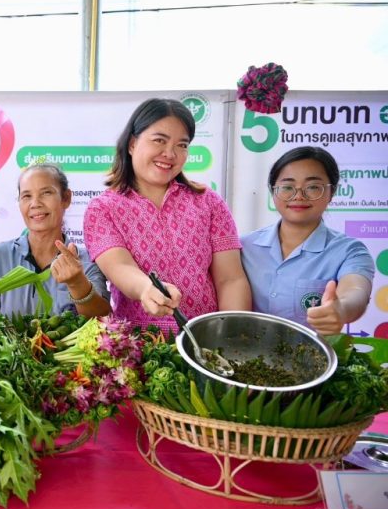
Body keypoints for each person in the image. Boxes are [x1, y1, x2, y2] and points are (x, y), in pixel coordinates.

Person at [83, 98, 251, 333]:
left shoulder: (208, 201)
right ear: (132, 143)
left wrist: (231, 336)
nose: (170, 153)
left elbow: (230, 279)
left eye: (182, 145)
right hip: (141, 345)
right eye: (159, 140)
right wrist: (146, 289)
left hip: (205, 340)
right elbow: (120, 267)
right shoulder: (102, 209)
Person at [241, 146, 374, 335]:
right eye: (287, 187)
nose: (298, 196)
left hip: (312, 354)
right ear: (273, 191)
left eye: (312, 187)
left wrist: (341, 309)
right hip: (244, 352)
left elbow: (356, 290)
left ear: (332, 192)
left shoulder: (349, 250)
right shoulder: (242, 247)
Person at [0, 163, 111, 318]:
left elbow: (101, 319)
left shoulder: (88, 261)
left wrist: (77, 283)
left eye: (46, 193)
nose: (35, 204)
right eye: (26, 196)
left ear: (66, 198)